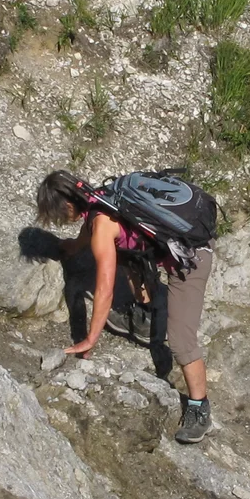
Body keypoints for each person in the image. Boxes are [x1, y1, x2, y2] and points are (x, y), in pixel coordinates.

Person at [35, 170, 214, 444]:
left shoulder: (102, 225)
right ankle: (145, 317)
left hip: (191, 257)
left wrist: (89, 338)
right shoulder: (102, 199)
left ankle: (199, 408)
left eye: (57, 214)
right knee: (125, 253)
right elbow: (89, 232)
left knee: (181, 341)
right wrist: (72, 247)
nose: (59, 220)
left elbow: (104, 288)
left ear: (69, 206)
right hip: (169, 247)